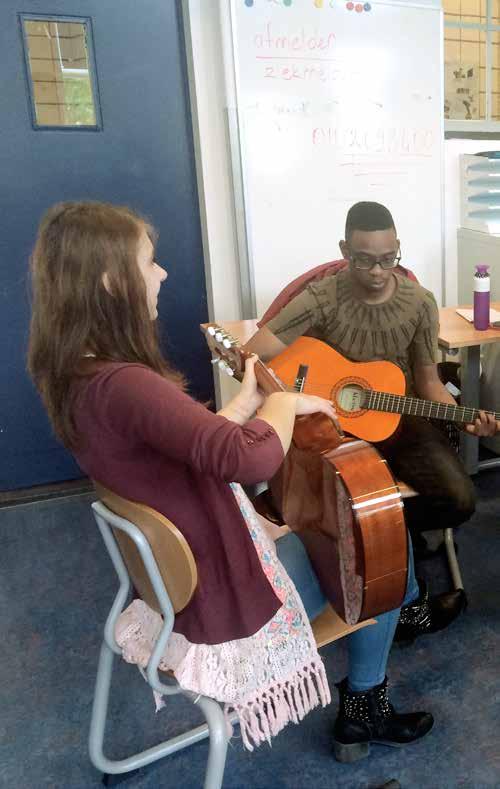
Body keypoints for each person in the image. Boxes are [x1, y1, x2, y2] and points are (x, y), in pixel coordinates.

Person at [27, 201, 433, 762]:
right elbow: (252, 462)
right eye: (150, 262)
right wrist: (285, 403)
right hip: (220, 592)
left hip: (177, 579)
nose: (163, 274)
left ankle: (406, 611)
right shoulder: (129, 385)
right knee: (380, 538)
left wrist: (246, 402)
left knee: (374, 536)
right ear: (109, 279)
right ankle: (366, 704)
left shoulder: (81, 372)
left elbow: (186, 442)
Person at [246, 200, 499, 643]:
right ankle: (394, 586)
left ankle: (372, 545)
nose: (377, 270)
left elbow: (427, 380)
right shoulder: (322, 297)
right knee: (350, 498)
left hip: (398, 417)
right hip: (333, 427)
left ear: (398, 249)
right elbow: (256, 350)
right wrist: (296, 395)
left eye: (387, 259)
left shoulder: (420, 301)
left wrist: (464, 420)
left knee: (459, 499)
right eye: (364, 260)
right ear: (345, 250)